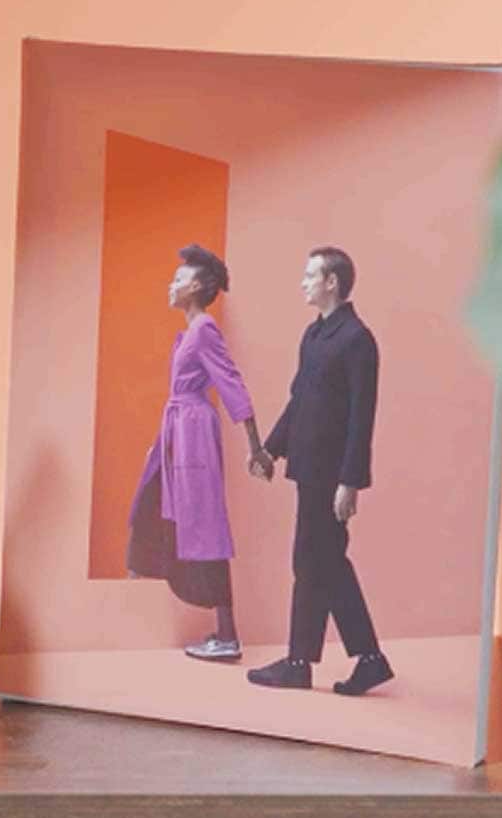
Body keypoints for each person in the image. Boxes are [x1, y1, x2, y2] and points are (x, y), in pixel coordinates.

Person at [246, 246, 394, 696]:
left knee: (318, 562)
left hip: (332, 476)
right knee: (321, 563)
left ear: (332, 282)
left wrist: (350, 483)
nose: (303, 282)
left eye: (311, 275)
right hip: (307, 470)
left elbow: (360, 418)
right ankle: (351, 660)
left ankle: (316, 662)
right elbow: (300, 401)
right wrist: (270, 448)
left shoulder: (357, 339)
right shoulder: (314, 337)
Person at [127, 244, 274, 662]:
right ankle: (166, 578)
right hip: (178, 430)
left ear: (197, 286)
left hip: (194, 433)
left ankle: (227, 636)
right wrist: (160, 446)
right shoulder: (190, 332)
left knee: (206, 524)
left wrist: (256, 447)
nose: (170, 285)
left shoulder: (205, 329)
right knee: (152, 505)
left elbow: (232, 384)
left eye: (178, 279)